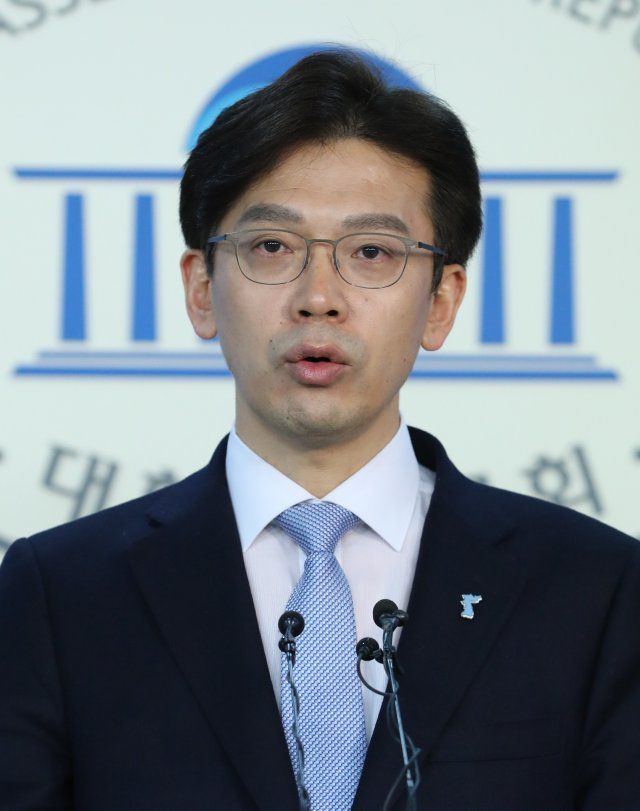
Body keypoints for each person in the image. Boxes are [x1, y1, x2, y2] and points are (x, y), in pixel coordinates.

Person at [1, 50, 639, 811]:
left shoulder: (595, 590)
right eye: (272, 246)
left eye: (372, 252)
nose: (319, 298)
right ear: (201, 289)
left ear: (441, 302)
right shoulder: (58, 594)